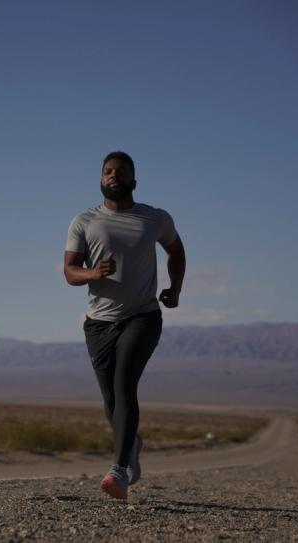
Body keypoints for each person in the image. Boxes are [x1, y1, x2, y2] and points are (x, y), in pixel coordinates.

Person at [63, 151, 186, 500]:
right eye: (107, 172)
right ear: (101, 179)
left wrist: (175, 289)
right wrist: (92, 272)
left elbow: (176, 251)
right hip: (98, 322)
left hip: (142, 316)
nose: (113, 176)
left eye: (120, 172)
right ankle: (132, 442)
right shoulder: (84, 221)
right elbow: (70, 270)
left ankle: (118, 470)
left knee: (123, 384)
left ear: (134, 181)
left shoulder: (154, 218)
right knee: (110, 399)